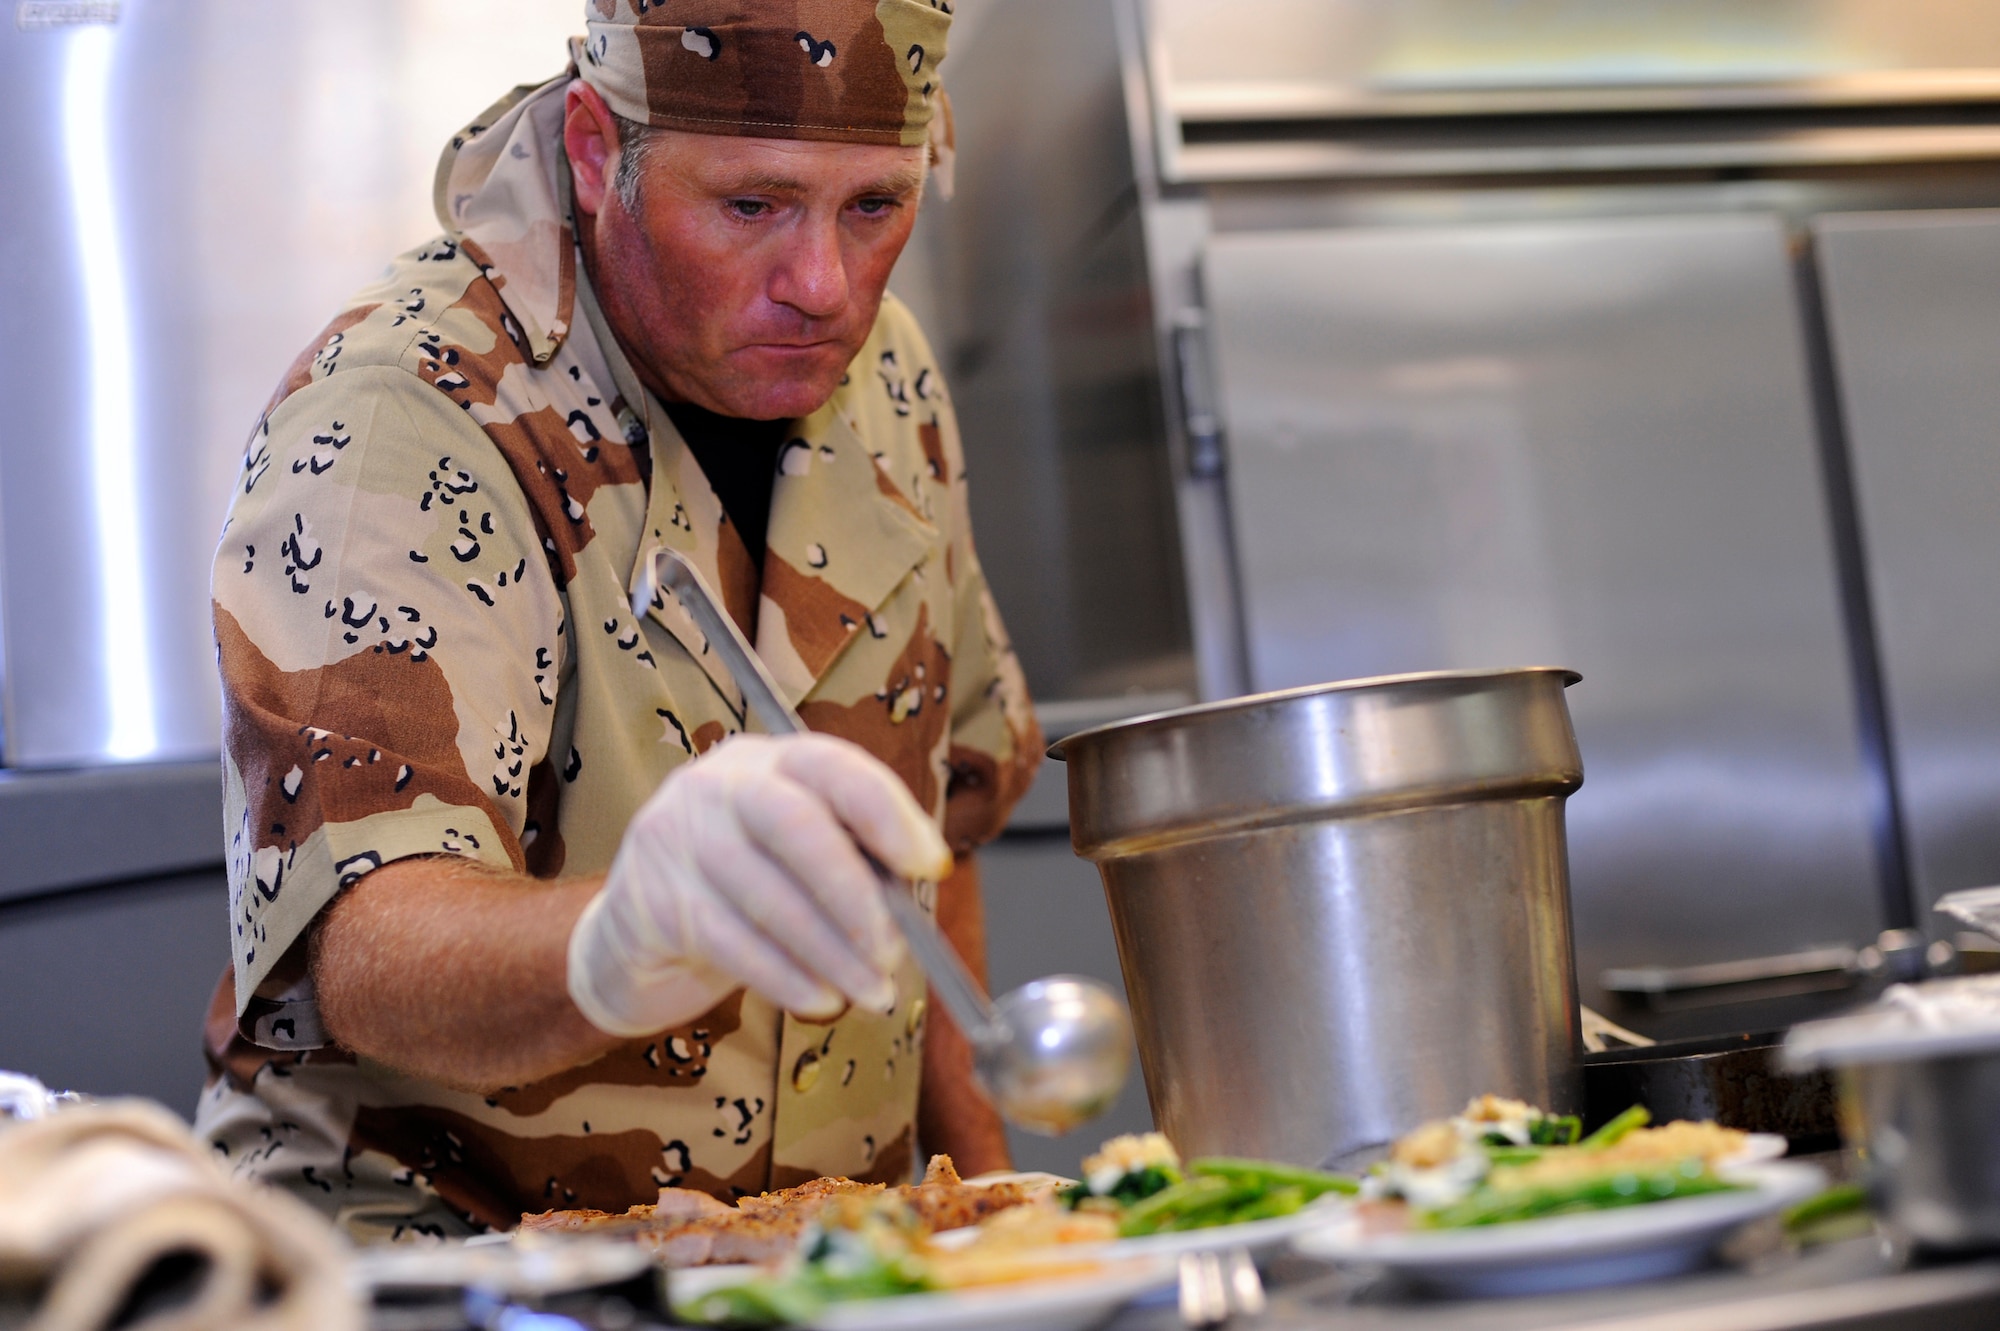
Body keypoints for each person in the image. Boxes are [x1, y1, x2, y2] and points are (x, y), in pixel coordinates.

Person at [195, 0, 1041, 1241]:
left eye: (873, 206)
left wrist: (1000, 1219)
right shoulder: (406, 407)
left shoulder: (888, 373)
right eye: (749, 205)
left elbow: (936, 835)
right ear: (597, 151)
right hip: (446, 1259)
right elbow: (364, 946)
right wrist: (623, 933)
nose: (821, 286)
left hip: (817, 1257)